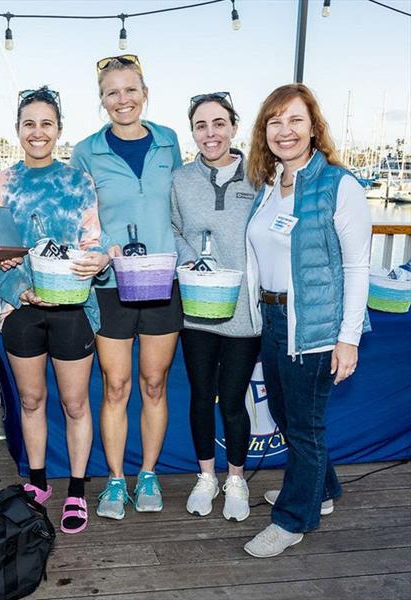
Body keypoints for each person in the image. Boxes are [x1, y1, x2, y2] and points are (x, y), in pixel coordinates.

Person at [242, 84, 371, 557]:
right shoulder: (271, 185)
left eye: (295, 120)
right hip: (274, 321)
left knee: (305, 425)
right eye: (274, 121)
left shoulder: (341, 185)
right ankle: (322, 488)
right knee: (287, 416)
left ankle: (294, 518)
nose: (285, 130)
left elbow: (358, 267)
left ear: (313, 126)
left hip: (314, 327)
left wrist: (348, 338)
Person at [0, 86, 108, 534]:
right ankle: (37, 481)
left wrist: (92, 263)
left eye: (46, 123)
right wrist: (18, 287)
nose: (37, 132)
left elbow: (92, 246)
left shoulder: (78, 182)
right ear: (18, 130)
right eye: (29, 123)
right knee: (31, 399)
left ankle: (77, 487)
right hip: (21, 309)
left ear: (59, 130)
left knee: (75, 404)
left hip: (72, 308)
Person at [71, 55, 183, 520]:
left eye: (130, 90)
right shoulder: (85, 151)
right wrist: (102, 250)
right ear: (102, 100)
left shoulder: (170, 141)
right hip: (110, 286)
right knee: (115, 386)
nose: (123, 100)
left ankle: (149, 474)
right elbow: (79, 219)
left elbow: (182, 206)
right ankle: (116, 480)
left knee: (154, 384)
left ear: (145, 92)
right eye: (112, 92)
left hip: (162, 282)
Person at [171, 92, 260, 522]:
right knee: (202, 396)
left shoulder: (260, 176)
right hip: (195, 310)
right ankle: (206, 476)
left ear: (233, 127)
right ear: (193, 132)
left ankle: (237, 480)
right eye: (202, 126)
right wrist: (189, 257)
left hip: (244, 312)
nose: (211, 133)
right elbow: (171, 228)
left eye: (219, 123)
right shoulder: (181, 179)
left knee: (233, 401)